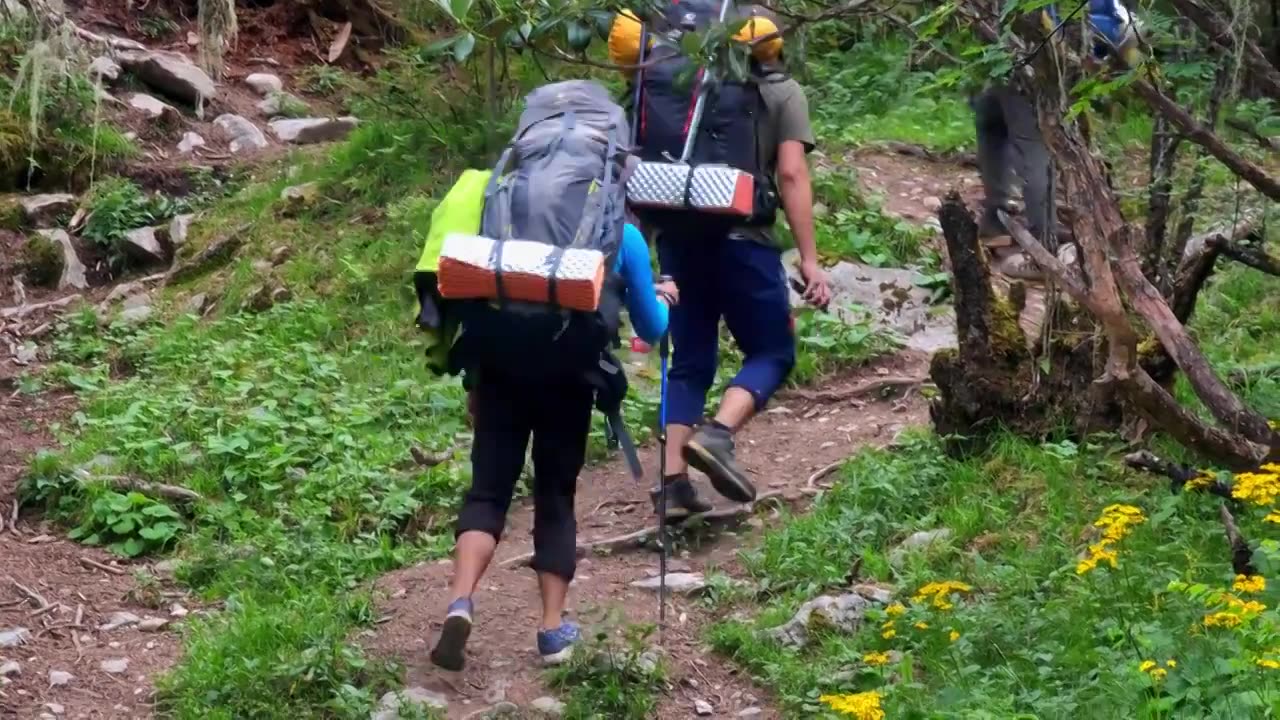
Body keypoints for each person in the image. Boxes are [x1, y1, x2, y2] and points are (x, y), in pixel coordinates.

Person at [430, 222, 675, 671]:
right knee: (555, 497)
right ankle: (550, 628)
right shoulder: (620, 232)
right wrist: (666, 298)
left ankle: (460, 601)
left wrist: (474, 379)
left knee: (487, 491)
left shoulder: (501, 210)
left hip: (499, 370)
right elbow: (652, 327)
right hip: (569, 377)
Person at [633, 5, 831, 516]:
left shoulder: (667, 82)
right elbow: (791, 175)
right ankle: (719, 434)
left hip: (678, 236)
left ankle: (673, 483)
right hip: (745, 240)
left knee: (689, 360)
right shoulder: (781, 92)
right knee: (773, 353)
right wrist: (810, 259)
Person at [973, 0, 1141, 251]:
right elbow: (1115, 21)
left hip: (1020, 50)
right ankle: (1024, 232)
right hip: (1030, 54)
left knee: (1016, 135)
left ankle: (1027, 235)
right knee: (1008, 130)